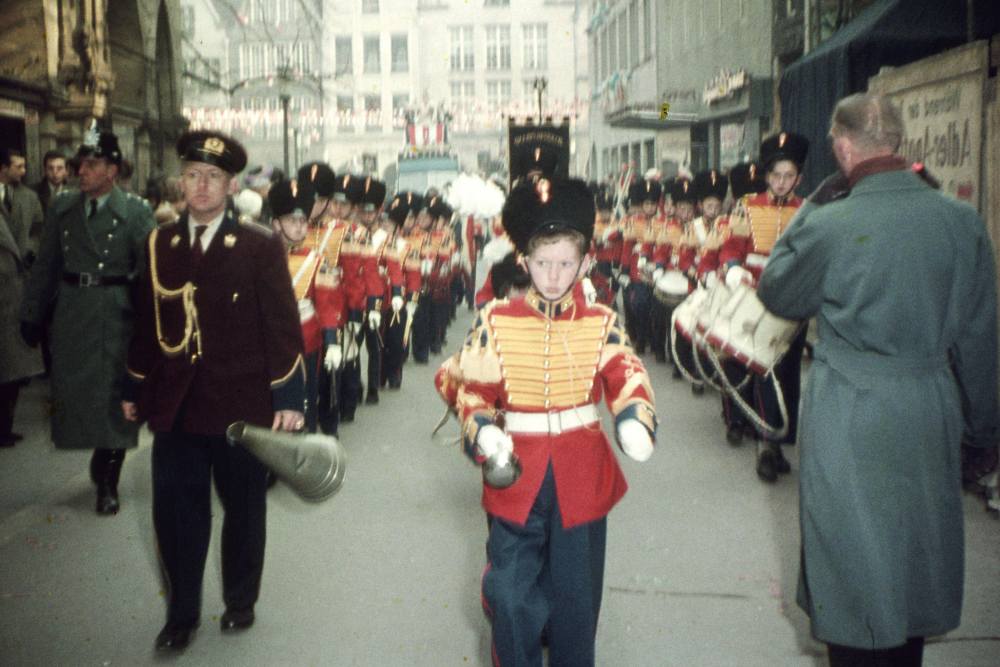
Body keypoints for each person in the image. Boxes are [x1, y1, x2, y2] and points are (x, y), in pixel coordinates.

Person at [757, 92, 999, 667]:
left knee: (852, 564)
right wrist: (983, 433)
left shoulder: (832, 223)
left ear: (843, 149)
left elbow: (777, 288)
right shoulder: (961, 221)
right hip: (928, 406)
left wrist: (814, 204)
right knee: (912, 563)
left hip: (850, 411)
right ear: (899, 144)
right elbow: (981, 339)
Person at [436, 178, 657, 666]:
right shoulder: (495, 318)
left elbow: (627, 371)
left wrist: (634, 419)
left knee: (576, 607)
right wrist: (483, 429)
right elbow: (470, 388)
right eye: (542, 264)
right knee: (510, 597)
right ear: (523, 262)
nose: (554, 277)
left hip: (581, 475)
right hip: (515, 473)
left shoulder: (601, 321)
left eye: (565, 265)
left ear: (584, 262)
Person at [121, 131, 306, 652]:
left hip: (240, 406)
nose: (201, 187)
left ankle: (240, 599)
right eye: (193, 176)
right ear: (182, 180)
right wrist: (134, 385)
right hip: (176, 405)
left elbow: (282, 326)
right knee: (177, 513)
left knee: (244, 506)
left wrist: (288, 399)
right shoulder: (160, 243)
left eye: (214, 178)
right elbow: (146, 323)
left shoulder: (258, 245)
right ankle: (181, 616)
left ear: (230, 186)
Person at [19, 127, 155, 513]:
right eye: (80, 164)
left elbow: (151, 271)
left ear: (113, 170)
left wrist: (151, 325)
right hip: (74, 313)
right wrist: (32, 312)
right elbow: (47, 264)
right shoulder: (63, 208)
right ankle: (102, 455)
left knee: (116, 397)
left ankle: (108, 479)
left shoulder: (135, 212)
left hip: (117, 315)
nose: (81, 171)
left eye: (91, 165)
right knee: (79, 395)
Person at [717, 131, 808, 482]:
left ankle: (778, 442)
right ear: (766, 176)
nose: (782, 182)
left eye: (789, 176)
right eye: (776, 175)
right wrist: (733, 268)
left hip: (794, 304)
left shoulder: (807, 211)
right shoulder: (747, 207)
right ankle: (766, 446)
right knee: (763, 368)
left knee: (787, 374)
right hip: (755, 299)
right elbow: (729, 249)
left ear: (798, 178)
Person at [31, 149, 69, 219]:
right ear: (45, 171)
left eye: (59, 168)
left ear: (66, 171)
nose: (55, 172)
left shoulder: (73, 192)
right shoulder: (33, 192)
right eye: (50, 168)